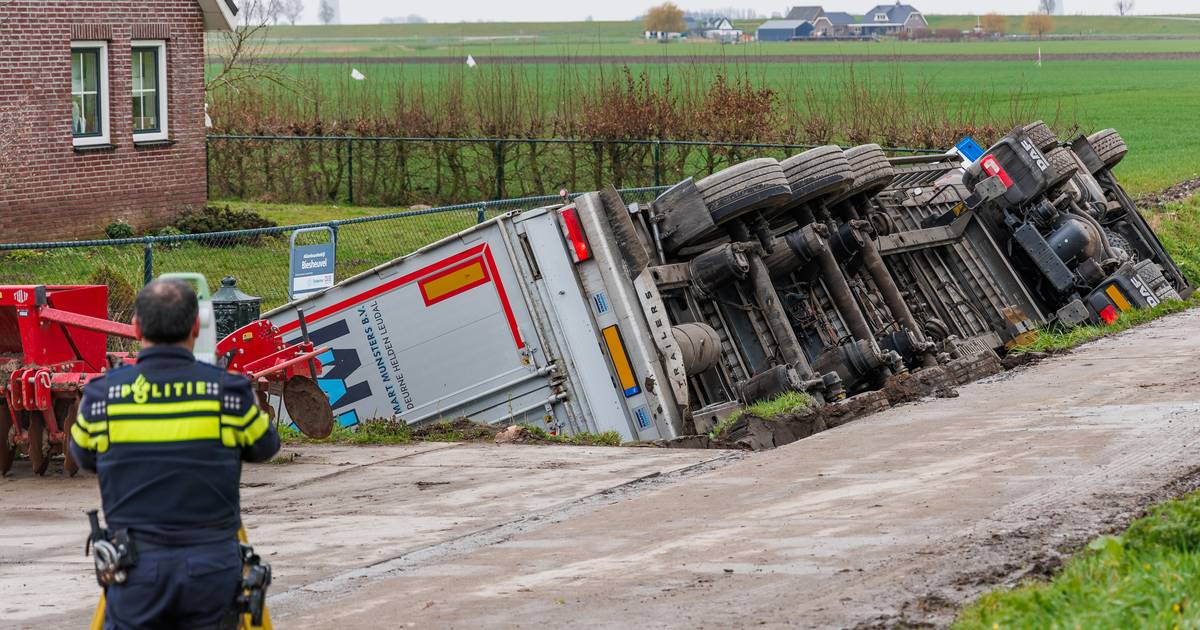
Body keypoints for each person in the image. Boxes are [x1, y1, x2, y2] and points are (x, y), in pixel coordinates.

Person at [70, 278, 280, 630]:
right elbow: (266, 446)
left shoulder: (102, 396)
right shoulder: (228, 392)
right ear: (196, 326)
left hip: (135, 572)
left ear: (136, 328)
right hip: (212, 570)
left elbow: (83, 456)